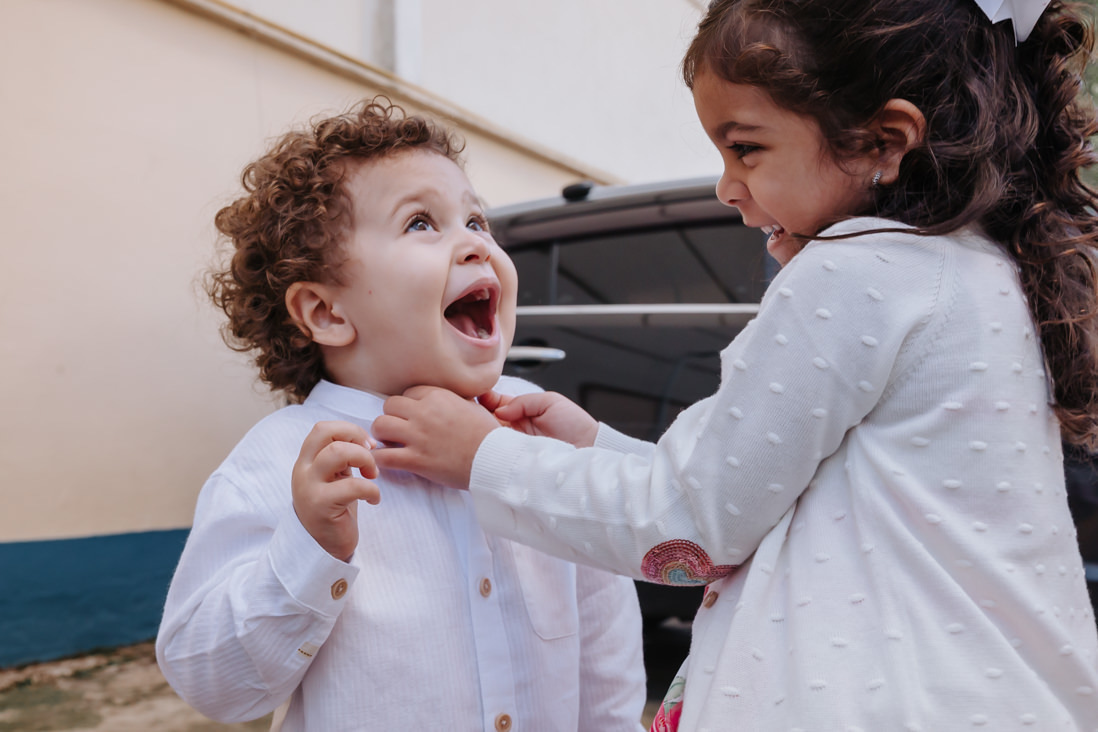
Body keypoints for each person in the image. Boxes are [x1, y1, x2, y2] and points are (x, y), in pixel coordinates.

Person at [369, 1, 1098, 729]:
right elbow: (767, 489)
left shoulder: (853, 275)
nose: (726, 185)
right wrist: (595, 445)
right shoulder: (980, 269)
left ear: (884, 140)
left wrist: (485, 459)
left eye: (746, 149)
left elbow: (693, 529)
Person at [155, 98, 647, 731]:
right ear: (327, 313)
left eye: (477, 220)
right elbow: (213, 686)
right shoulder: (277, 465)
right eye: (421, 223)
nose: (473, 243)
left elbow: (604, 645)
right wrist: (309, 551)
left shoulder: (535, 437)